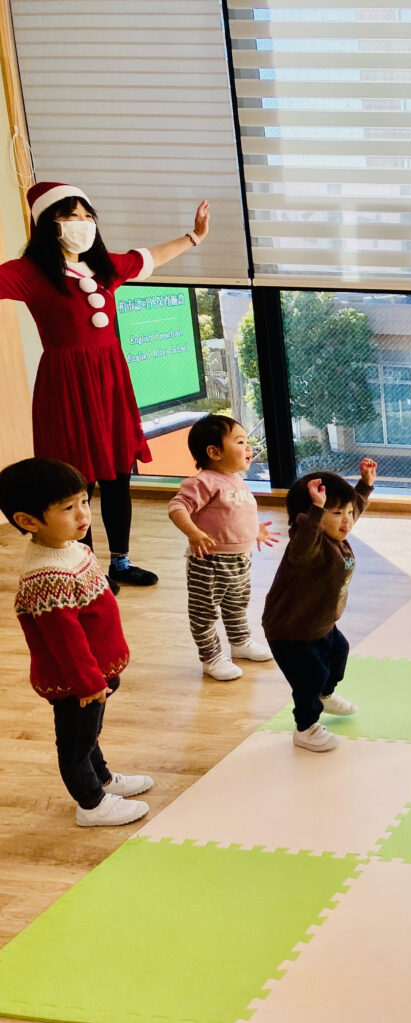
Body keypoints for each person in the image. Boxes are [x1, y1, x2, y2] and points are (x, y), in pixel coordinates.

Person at [0, 182, 212, 592]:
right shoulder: (30, 273)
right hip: (66, 384)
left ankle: (121, 562)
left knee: (118, 473)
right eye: (69, 216)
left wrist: (194, 237)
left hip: (110, 379)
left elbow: (149, 257)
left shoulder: (103, 268)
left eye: (86, 215)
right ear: (47, 224)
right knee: (75, 481)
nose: (81, 223)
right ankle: (85, 567)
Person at [0, 457, 153, 826]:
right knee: (76, 744)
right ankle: (91, 804)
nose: (83, 513)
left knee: (89, 734)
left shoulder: (74, 549)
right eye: (68, 508)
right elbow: (64, 640)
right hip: (77, 682)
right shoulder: (47, 574)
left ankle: (102, 779)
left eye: (84, 500)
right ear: (28, 521)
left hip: (95, 674)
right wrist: (87, 682)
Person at [261, 460, 377, 753]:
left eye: (348, 513)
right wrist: (316, 510)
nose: (347, 521)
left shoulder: (336, 533)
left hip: (320, 622)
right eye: (336, 513)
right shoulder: (307, 546)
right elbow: (304, 545)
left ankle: (326, 695)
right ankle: (306, 727)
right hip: (291, 629)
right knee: (309, 678)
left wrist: (364, 486)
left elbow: (352, 508)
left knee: (339, 653)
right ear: (308, 517)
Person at [167, 414, 277, 681]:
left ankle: (240, 642)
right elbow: (177, 507)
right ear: (214, 452)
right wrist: (193, 533)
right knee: (204, 612)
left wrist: (256, 530)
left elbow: (232, 514)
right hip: (210, 562)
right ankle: (211, 657)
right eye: (240, 442)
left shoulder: (236, 480)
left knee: (236, 604)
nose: (248, 447)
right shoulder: (204, 481)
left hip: (241, 560)